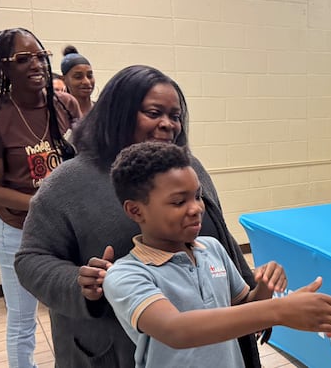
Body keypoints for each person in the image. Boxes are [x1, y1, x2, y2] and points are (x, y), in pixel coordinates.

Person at [15, 65, 268, 368]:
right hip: (118, 345)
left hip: (215, 344)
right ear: (119, 113)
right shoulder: (68, 182)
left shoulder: (188, 167)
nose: (168, 125)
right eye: (153, 113)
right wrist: (79, 283)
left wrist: (254, 299)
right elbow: (31, 258)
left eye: (175, 116)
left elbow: (218, 237)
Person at [103, 141, 331, 367]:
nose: (196, 209)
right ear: (136, 211)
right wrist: (279, 310)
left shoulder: (212, 249)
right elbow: (176, 330)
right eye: (179, 202)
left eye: (198, 196)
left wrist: (264, 289)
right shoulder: (125, 275)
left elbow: (244, 313)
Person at [0, 27, 80, 368]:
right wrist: (44, 202)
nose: (36, 64)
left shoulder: (63, 104)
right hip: (17, 231)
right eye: (22, 59)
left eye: (40, 56)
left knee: (68, 309)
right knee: (23, 320)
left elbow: (87, 154)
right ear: (3, 67)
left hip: (63, 228)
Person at [60, 45, 95, 115]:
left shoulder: (104, 111)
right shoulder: (60, 114)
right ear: (64, 80)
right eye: (78, 77)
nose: (87, 82)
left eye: (89, 76)